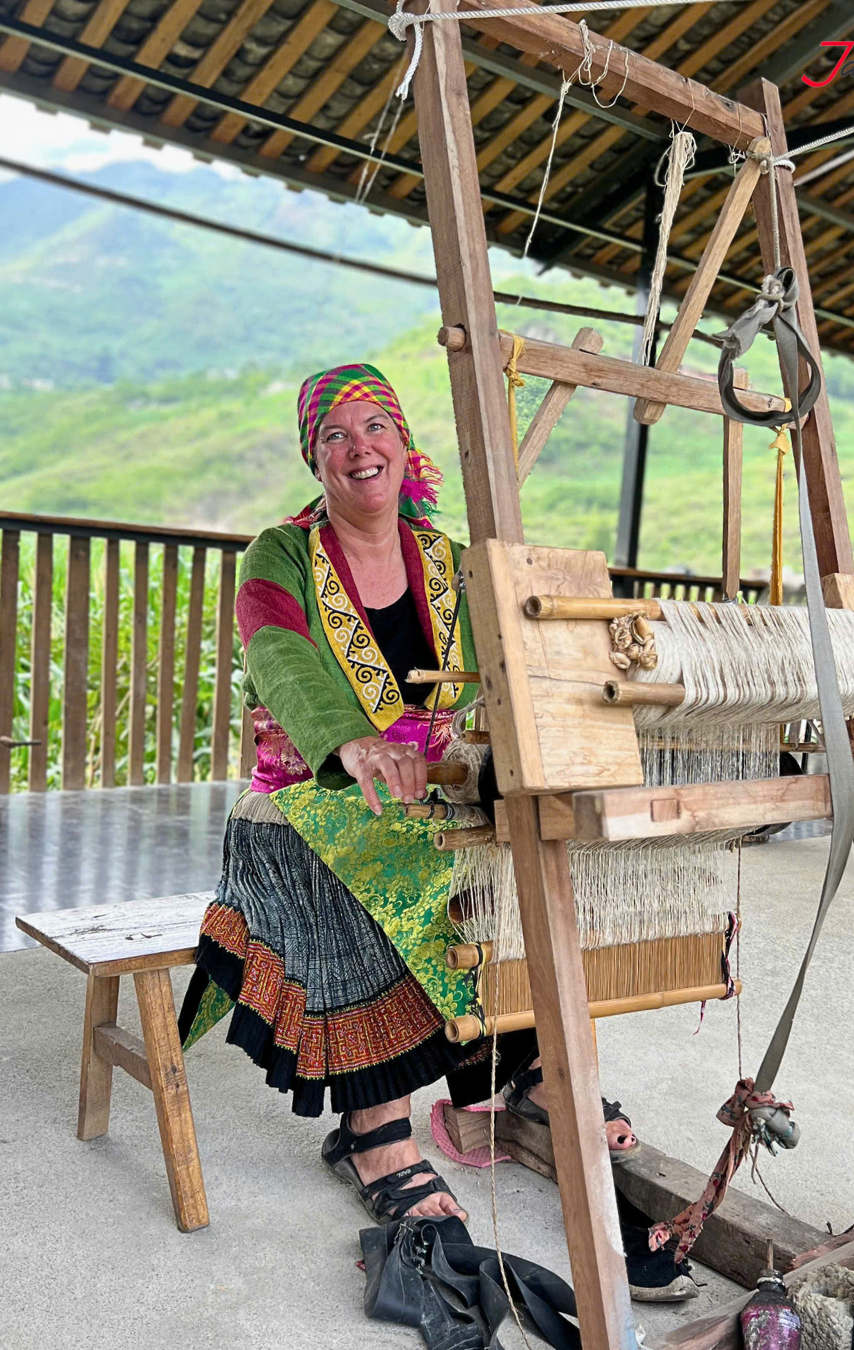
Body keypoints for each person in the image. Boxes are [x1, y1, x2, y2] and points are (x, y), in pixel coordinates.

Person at [178, 364, 637, 1227]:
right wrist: (348, 742)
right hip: (307, 798)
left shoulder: (451, 561)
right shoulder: (281, 555)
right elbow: (278, 654)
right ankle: (373, 1129)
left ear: (403, 442)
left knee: (521, 838)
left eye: (375, 427)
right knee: (361, 858)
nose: (360, 449)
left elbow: (507, 662)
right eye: (336, 436)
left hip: (437, 785)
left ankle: (513, 1076)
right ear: (315, 460)